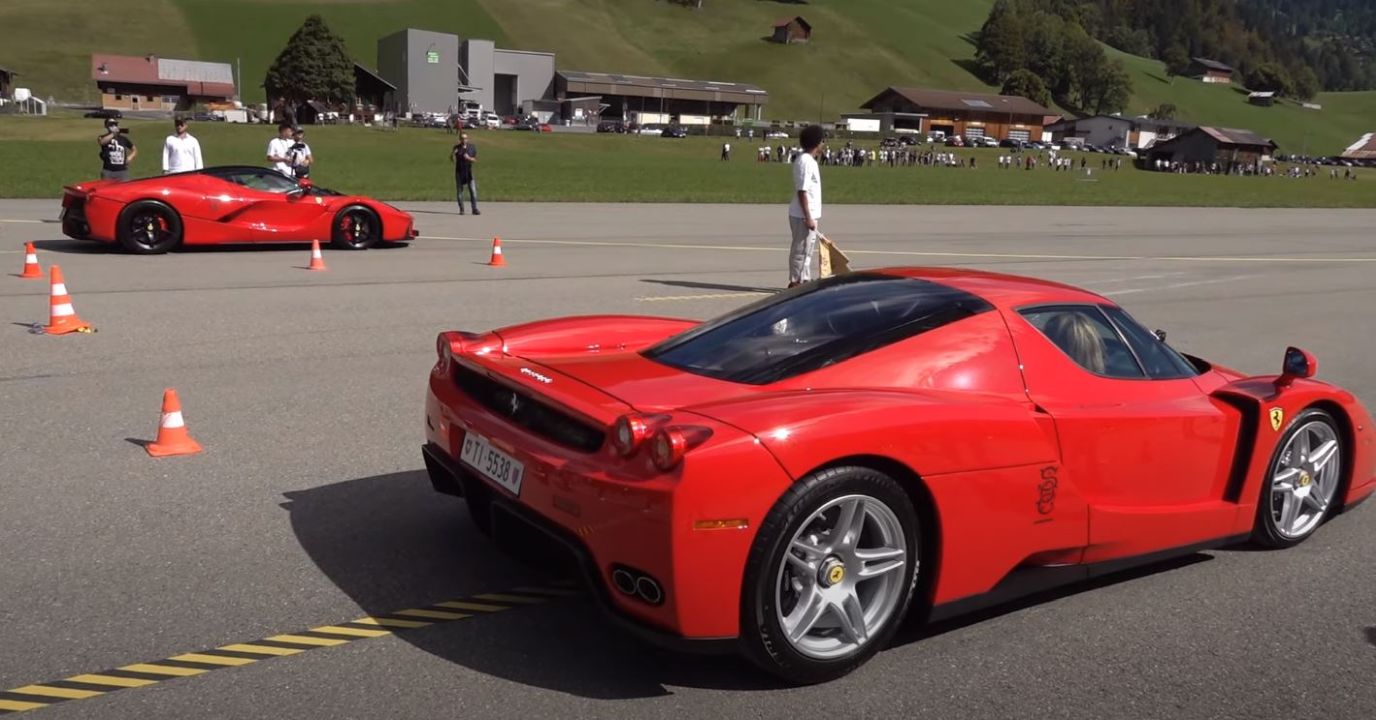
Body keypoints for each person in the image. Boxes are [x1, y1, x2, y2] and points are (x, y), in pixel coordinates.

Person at [787, 124, 826, 287]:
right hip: (803, 214)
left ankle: (804, 278)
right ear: (816, 143)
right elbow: (802, 191)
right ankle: (796, 281)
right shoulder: (805, 162)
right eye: (822, 141)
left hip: (809, 213)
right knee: (801, 250)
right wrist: (808, 216)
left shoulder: (809, 161)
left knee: (807, 251)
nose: (823, 144)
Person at [450, 131, 480, 215]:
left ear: (467, 139)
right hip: (459, 172)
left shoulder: (472, 147)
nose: (464, 140)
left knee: (473, 191)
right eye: (462, 138)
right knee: (460, 192)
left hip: (469, 172)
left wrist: (469, 158)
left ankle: (474, 209)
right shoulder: (456, 147)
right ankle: (462, 209)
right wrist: (453, 154)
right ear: (460, 139)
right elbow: (452, 159)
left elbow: (475, 160)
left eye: (465, 138)